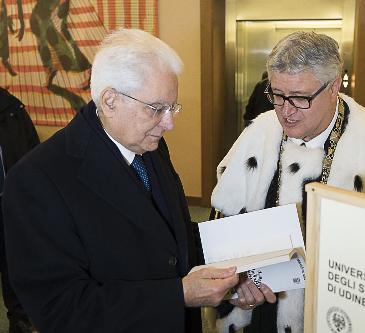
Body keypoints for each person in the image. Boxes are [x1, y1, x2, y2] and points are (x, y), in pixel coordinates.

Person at [2, 28, 240, 333]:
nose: (169, 123)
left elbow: (169, 236)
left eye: (172, 107)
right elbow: (61, 309)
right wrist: (178, 294)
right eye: (156, 109)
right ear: (110, 100)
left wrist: (232, 278)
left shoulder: (148, 144)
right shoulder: (36, 179)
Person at [211, 31, 365, 332]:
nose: (285, 110)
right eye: (276, 94)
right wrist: (236, 284)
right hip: (260, 312)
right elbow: (223, 221)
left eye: (300, 98)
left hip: (340, 315)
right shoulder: (260, 132)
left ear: (334, 87)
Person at [0, 87, 39, 333]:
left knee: (13, 261)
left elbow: (33, 154)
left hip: (8, 203)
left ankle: (20, 318)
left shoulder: (12, 110)